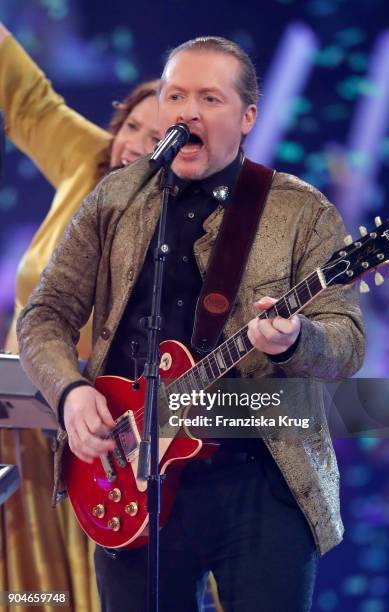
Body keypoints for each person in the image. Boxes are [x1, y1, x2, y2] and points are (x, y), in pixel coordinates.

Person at [17, 36, 365, 612]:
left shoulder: (302, 212)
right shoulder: (118, 198)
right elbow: (45, 315)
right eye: (176, 95)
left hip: (260, 473)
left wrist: (296, 340)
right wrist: (71, 393)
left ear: (249, 116)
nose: (188, 112)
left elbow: (347, 343)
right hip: (131, 469)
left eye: (209, 98)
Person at [0, 22, 160, 611]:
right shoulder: (88, 162)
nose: (134, 146)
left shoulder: (193, 225)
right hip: (17, 422)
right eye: (132, 129)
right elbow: (27, 99)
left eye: (158, 136)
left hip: (108, 444)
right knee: (24, 589)